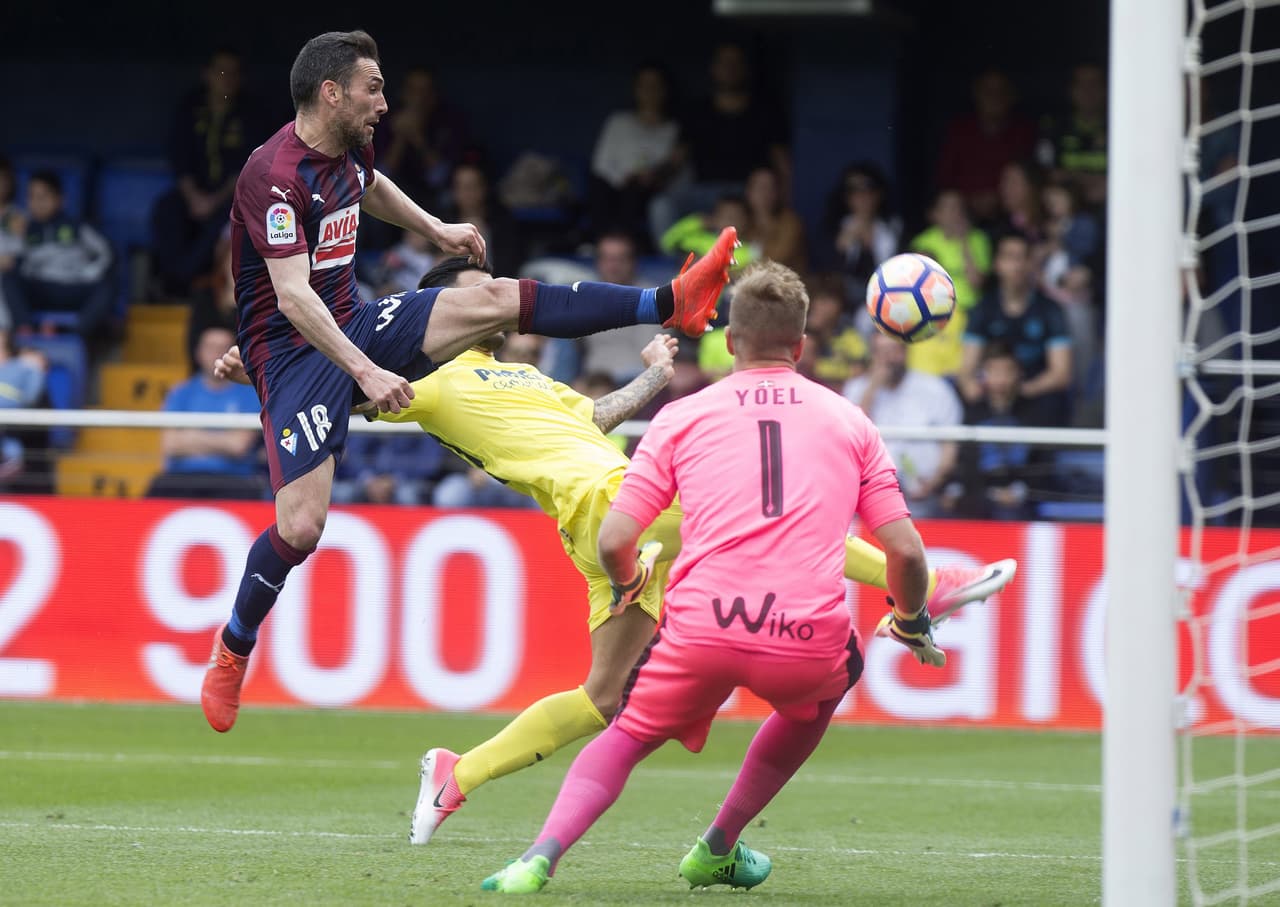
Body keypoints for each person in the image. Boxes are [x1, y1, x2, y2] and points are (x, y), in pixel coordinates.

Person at [202, 257, 1008, 849]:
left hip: (610, 519)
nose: (493, 306)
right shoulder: (425, 386)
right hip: (609, 513)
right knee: (768, 520)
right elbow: (330, 384)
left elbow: (594, 422)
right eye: (473, 296)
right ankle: (927, 589)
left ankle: (458, 771)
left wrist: (654, 378)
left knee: (601, 697)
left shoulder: (519, 378)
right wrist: (260, 371)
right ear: (438, 315)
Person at [198, 29, 740, 734]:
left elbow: (369, 187)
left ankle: (667, 300)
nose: (385, 105)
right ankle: (233, 648)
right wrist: (363, 370)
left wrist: (436, 228)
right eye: (373, 88)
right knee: (302, 527)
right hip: (295, 351)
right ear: (330, 92)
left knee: (491, 297)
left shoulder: (350, 144)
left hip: (354, 319)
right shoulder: (271, 175)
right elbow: (295, 298)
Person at [477, 261, 958, 893]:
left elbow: (616, 538)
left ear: (730, 341)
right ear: (802, 346)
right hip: (804, 637)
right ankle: (718, 845)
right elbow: (908, 554)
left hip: (700, 629)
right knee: (833, 682)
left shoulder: (680, 418)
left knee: (625, 734)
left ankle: (537, 857)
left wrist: (626, 583)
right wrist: (910, 619)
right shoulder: (852, 422)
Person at [151, 48, 268, 297]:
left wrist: (214, 201)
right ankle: (173, 280)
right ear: (207, 74)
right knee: (167, 208)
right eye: (221, 71)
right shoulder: (190, 106)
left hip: (232, 194)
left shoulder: (252, 112)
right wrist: (193, 196)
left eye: (234, 73)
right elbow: (179, 156)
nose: (227, 78)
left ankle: (186, 281)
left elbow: (252, 163)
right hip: (193, 191)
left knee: (229, 218)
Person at [958, 231, 1074, 425]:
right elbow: (966, 371)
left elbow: (1061, 374)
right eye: (1010, 258)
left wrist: (1017, 390)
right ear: (997, 264)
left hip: (1035, 395)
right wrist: (978, 388)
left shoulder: (1049, 310)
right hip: (992, 394)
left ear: (1031, 264)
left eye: (1022, 258)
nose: (1017, 266)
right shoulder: (984, 308)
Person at [844, 332, 963, 519]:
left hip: (923, 492)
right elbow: (852, 434)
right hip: (868, 492)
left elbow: (950, 443)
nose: (890, 358)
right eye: (882, 352)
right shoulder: (857, 388)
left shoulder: (935, 388)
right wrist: (873, 385)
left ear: (906, 352)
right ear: (873, 355)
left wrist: (935, 481)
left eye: (895, 350)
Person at [146, 325, 265, 501]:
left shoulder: (250, 394)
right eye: (210, 347)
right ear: (198, 353)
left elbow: (238, 446)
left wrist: (191, 436)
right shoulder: (180, 393)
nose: (216, 354)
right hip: (182, 479)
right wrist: (222, 440)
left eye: (223, 348)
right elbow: (170, 444)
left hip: (234, 481)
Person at [1, 171, 115, 340]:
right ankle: (26, 332)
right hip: (42, 288)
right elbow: (14, 262)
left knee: (107, 287)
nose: (37, 203)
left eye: (43, 197)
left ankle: (76, 335)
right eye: (32, 197)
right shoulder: (25, 228)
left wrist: (89, 273)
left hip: (74, 287)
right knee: (8, 279)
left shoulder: (76, 225)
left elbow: (107, 253)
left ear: (60, 199)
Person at [587, 63, 683, 250]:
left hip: (648, 189)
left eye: (655, 86)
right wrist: (623, 179)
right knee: (598, 187)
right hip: (613, 185)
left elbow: (672, 168)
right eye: (644, 86)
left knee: (635, 191)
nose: (650, 92)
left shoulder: (673, 129)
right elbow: (601, 164)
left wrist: (646, 177)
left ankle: (625, 250)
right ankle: (598, 247)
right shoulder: (618, 121)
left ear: (665, 91)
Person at [904, 188, 991, 378]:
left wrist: (964, 243)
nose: (954, 213)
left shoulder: (978, 239)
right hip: (935, 311)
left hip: (971, 311)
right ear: (934, 214)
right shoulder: (923, 240)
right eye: (948, 208)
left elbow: (976, 282)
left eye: (958, 208)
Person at [935, 70, 1037, 225]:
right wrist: (969, 199)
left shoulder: (1023, 131)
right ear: (976, 94)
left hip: (1011, 218)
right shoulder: (960, 130)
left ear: (1011, 96)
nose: (994, 98)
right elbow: (945, 179)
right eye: (988, 91)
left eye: (1000, 92)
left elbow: (1032, 178)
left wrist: (997, 198)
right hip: (964, 216)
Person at [820, 161, 900, 315]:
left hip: (889, 298)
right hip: (843, 304)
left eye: (868, 189)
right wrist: (841, 249)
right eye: (853, 190)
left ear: (879, 193)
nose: (862, 196)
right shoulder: (832, 228)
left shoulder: (895, 228)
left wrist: (869, 244)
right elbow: (825, 274)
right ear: (846, 197)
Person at [743, 164, 807, 275]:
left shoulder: (790, 223)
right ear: (748, 192)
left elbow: (774, 261)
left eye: (770, 187)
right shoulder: (743, 221)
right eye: (760, 187)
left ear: (777, 193)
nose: (765, 193)